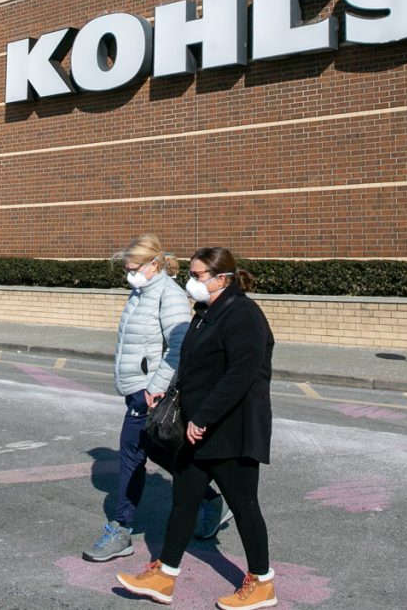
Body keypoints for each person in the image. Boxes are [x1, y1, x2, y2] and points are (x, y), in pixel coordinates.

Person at [117, 247, 277, 609]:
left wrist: (203, 417)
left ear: (223, 278)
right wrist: (168, 394)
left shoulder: (243, 315)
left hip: (231, 430)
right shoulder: (207, 313)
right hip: (198, 428)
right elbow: (192, 366)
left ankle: (263, 581)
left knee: (244, 504)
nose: (192, 281)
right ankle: (165, 574)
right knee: (184, 500)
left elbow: (240, 375)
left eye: (198, 275)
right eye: (191, 273)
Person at [82, 235, 231, 563]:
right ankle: (210, 498)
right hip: (137, 387)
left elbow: (178, 349)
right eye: (126, 267)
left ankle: (121, 528)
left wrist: (155, 387)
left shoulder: (170, 296)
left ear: (154, 265)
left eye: (134, 267)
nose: (129, 272)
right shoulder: (139, 293)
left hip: (149, 392)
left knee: (130, 455)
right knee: (163, 452)